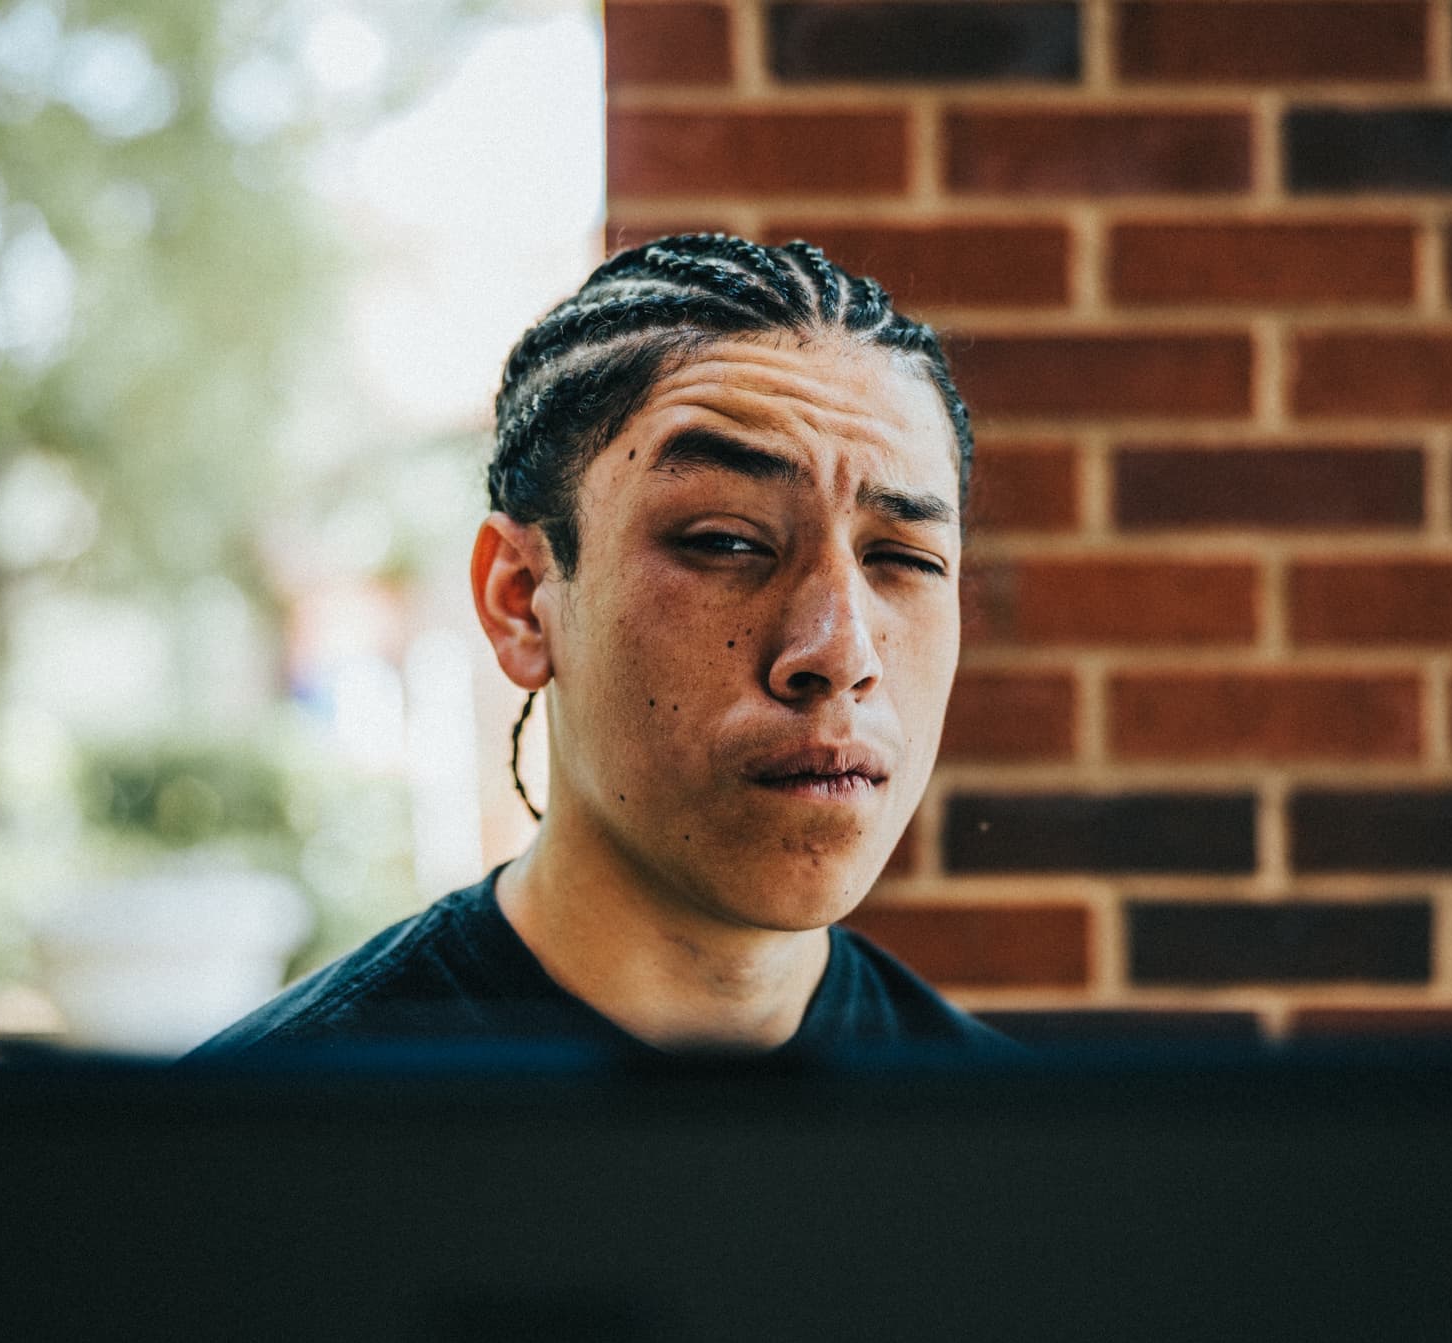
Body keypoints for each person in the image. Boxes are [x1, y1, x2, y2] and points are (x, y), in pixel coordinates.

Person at [189, 234, 1013, 1060]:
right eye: (728, 542)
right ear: (520, 601)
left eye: (903, 558)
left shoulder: (1024, 1158)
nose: (841, 652)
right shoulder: (251, 1151)